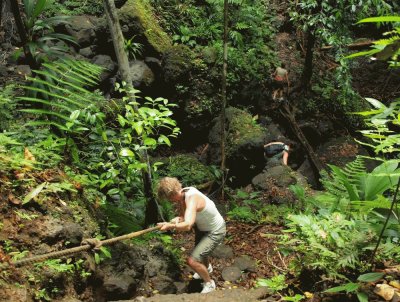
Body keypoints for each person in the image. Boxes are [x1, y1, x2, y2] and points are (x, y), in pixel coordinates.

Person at [157, 177, 226, 294]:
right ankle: (207, 268)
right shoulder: (184, 193)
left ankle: (209, 284)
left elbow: (188, 225)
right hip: (203, 228)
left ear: (171, 194)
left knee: (192, 261)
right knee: (201, 253)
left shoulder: (192, 198)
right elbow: (185, 217)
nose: (169, 201)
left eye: (168, 199)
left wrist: (170, 226)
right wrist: (175, 220)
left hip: (215, 231)